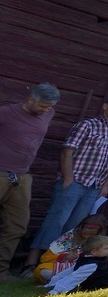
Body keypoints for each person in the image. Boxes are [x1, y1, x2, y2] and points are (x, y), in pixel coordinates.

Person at [24, 94, 108, 276]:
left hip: (94, 185)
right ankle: (31, 262)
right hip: (76, 180)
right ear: (105, 106)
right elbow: (67, 151)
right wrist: (68, 178)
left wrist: (106, 184)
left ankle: (60, 265)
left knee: (75, 227)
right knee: (55, 221)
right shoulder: (87, 125)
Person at [0, 82, 59, 273]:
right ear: (30, 99)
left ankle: (1, 270)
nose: (46, 110)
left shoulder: (49, 114)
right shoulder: (6, 113)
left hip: (22, 177)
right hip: (0, 172)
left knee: (17, 226)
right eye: (42, 106)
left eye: (49, 107)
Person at [33, 215, 108, 283]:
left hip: (87, 269)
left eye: (91, 235)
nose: (87, 237)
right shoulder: (70, 235)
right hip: (65, 267)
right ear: (80, 228)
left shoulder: (102, 241)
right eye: (84, 234)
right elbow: (44, 258)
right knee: (41, 270)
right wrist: (63, 257)